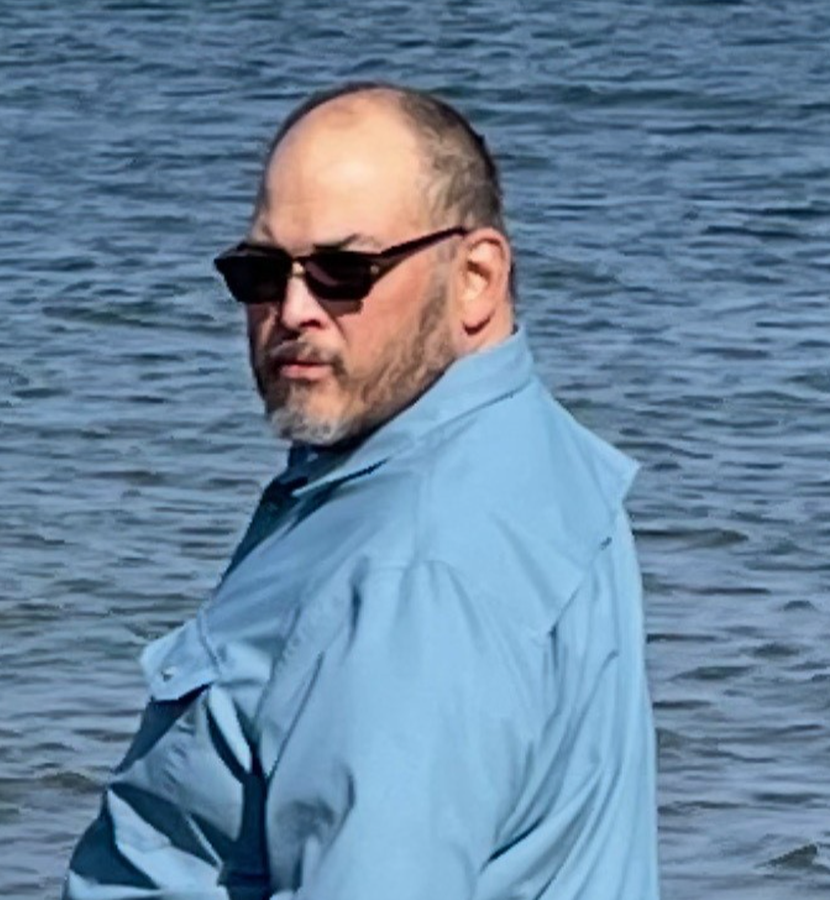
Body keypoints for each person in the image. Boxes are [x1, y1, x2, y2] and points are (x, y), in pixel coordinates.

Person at [64, 82, 659, 900]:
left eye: (344, 271)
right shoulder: (526, 453)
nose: (293, 310)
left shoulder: (410, 578)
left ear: (477, 277)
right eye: (260, 272)